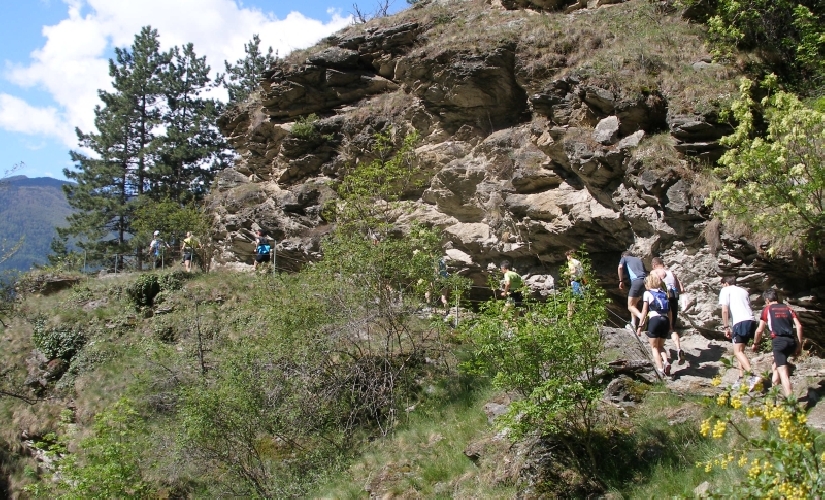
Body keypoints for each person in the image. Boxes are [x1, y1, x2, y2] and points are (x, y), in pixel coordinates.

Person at [753, 289, 804, 397]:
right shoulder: (788, 308)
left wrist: (756, 343)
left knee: (783, 374)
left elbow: (759, 330)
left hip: (779, 342)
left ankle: (791, 401)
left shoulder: (767, 309)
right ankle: (774, 397)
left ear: (767, 300)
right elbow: (799, 326)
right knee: (775, 366)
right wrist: (799, 345)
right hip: (791, 341)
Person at [719, 276, 759, 390]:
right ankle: (741, 377)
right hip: (751, 321)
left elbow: (725, 310)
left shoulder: (725, 290)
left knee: (737, 352)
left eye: (722, 284)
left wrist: (726, 327)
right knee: (740, 351)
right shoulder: (744, 291)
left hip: (740, 322)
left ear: (726, 283)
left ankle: (753, 376)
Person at [636, 274, 673, 378]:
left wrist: (640, 326)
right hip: (665, 320)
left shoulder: (647, 293)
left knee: (654, 347)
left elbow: (644, 311)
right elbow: (670, 311)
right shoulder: (664, 293)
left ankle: (660, 370)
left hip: (655, 319)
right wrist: (670, 325)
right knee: (661, 346)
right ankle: (666, 361)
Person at [651, 257, 685, 364]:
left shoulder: (655, 272)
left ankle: (661, 355)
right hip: (674, 299)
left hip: (663, 300)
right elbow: (681, 289)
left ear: (654, 265)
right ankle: (678, 348)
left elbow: (656, 283)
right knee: (672, 328)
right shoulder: (672, 273)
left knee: (659, 328)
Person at [618, 250, 647, 330]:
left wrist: (621, 281)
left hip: (636, 281)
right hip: (645, 282)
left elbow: (620, 267)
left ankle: (642, 317)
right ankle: (633, 324)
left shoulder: (624, 258)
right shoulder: (639, 260)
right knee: (634, 304)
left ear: (623, 256)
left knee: (630, 306)